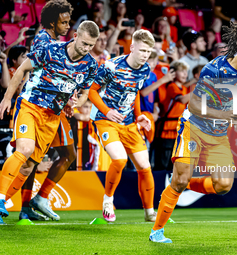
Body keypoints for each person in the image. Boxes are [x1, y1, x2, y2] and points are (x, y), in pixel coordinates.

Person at [149, 22, 237, 243]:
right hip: (193, 128)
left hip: (218, 135)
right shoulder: (214, 69)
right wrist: (224, 115)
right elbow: (194, 105)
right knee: (180, 181)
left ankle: (180, 181)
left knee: (223, 185)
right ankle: (157, 231)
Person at [0, 20, 99, 225]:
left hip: (52, 116)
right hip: (31, 105)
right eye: (84, 44)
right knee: (24, 149)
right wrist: (7, 98)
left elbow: (83, 92)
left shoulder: (90, 64)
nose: (87, 49)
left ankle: (6, 201)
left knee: (28, 167)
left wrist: (73, 103)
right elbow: (21, 70)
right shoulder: (50, 50)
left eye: (91, 45)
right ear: (75, 36)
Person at [3, 0, 77, 222]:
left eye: (68, 21)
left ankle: (28, 204)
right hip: (38, 106)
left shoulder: (57, 41)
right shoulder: (44, 40)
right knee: (32, 156)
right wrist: (8, 97)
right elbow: (28, 67)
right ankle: (25, 202)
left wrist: (67, 97)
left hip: (54, 108)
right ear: (52, 22)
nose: (67, 26)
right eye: (63, 22)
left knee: (36, 160)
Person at [88, 29, 157, 222]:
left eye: (148, 52)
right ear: (132, 47)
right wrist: (107, 111)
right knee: (119, 159)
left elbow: (133, 91)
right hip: (105, 120)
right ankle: (108, 201)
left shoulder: (145, 69)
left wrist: (138, 116)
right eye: (142, 50)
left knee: (145, 166)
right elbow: (92, 92)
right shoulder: (111, 66)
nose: (145, 55)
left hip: (128, 123)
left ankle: (149, 212)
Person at [154, 60, 191, 171]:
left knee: (175, 165)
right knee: (163, 164)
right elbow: (182, 99)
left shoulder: (184, 88)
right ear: (174, 73)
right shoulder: (172, 87)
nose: (185, 74)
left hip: (179, 131)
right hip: (166, 131)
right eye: (182, 71)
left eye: (186, 71)